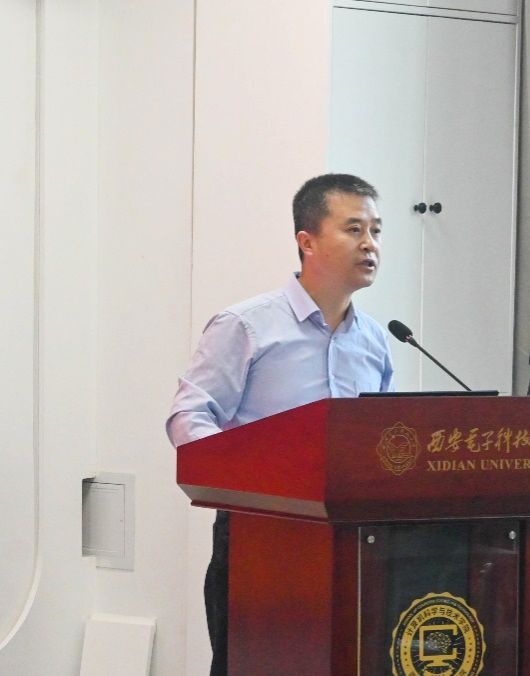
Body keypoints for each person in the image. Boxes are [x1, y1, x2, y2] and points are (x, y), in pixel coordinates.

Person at [166, 173, 394, 675]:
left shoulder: (376, 341)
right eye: (353, 229)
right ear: (306, 241)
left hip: (354, 540)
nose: (370, 244)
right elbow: (190, 413)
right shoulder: (247, 326)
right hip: (261, 538)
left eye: (376, 231)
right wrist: (240, 480)